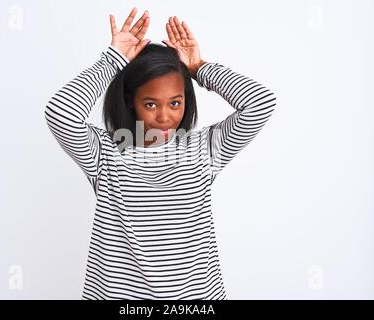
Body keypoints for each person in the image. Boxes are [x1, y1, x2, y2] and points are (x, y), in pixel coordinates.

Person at [44, 7, 277, 300]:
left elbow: (261, 103)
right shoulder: (105, 153)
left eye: (175, 103)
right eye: (151, 104)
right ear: (131, 102)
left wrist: (198, 67)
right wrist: (112, 61)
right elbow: (60, 113)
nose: (165, 117)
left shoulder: (204, 149)